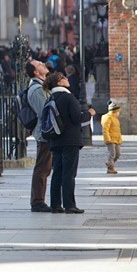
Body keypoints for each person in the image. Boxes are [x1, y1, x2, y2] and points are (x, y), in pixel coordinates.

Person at [43, 71, 95, 214]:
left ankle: (55, 205)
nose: (66, 79)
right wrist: (89, 113)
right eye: (63, 78)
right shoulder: (68, 97)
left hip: (55, 140)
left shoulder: (50, 98)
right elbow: (77, 118)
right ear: (59, 82)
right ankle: (70, 205)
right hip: (70, 140)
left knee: (57, 173)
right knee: (69, 173)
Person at [25, 59, 52, 212]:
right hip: (45, 134)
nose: (43, 64)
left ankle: (39, 200)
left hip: (46, 133)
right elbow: (45, 112)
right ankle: (37, 202)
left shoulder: (41, 86)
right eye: (40, 64)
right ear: (36, 72)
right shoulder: (36, 89)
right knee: (42, 168)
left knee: (45, 168)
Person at [101, 99, 123, 174]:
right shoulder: (108, 118)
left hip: (116, 139)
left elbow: (118, 131)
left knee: (118, 154)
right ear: (114, 111)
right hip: (110, 139)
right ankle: (110, 168)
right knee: (112, 153)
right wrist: (107, 138)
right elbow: (105, 129)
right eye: (117, 111)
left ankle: (109, 162)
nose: (118, 113)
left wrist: (119, 140)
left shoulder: (116, 119)